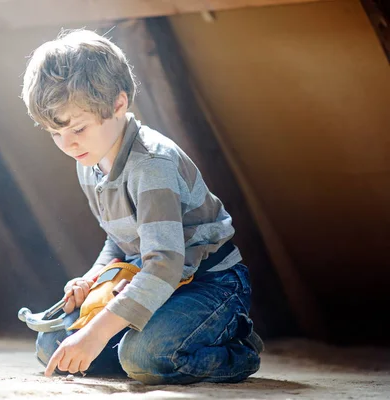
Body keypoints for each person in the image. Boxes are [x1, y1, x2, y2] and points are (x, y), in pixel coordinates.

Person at [20, 29, 263, 385]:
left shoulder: (152, 165)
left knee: (145, 358)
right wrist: (92, 279)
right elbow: (119, 240)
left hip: (211, 282)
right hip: (146, 276)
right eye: (54, 133)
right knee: (52, 345)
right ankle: (141, 347)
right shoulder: (89, 158)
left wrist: (97, 333)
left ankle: (238, 350)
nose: (67, 144)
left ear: (118, 105)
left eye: (78, 128)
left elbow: (165, 263)